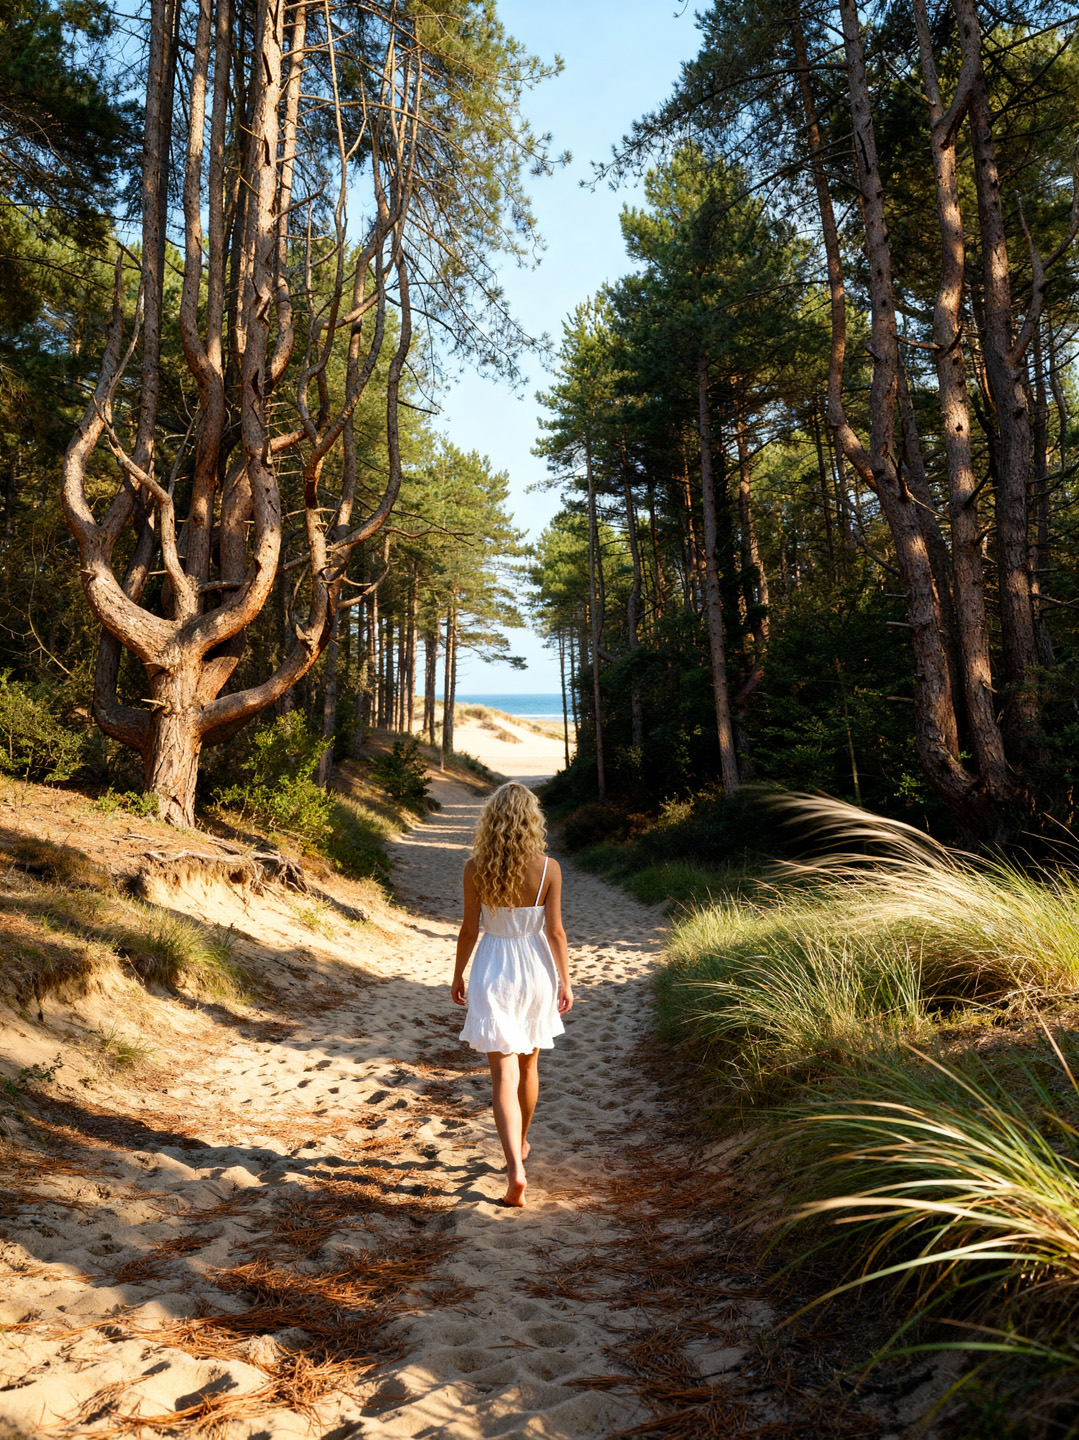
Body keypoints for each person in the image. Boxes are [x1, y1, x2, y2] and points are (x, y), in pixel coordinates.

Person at [451, 782, 573, 1207]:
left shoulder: (475, 867)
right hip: (536, 969)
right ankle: (522, 1143)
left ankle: (514, 1170)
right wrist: (566, 981)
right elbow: (556, 932)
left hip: (494, 968)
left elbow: (470, 930)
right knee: (530, 1064)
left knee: (502, 1073)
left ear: (492, 819)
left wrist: (458, 975)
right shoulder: (549, 869)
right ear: (531, 821)